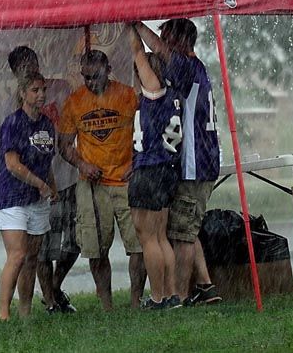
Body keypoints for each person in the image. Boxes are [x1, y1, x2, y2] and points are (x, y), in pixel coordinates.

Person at [133, 19, 222, 306]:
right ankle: (205, 285)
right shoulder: (196, 69)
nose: (162, 44)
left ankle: (181, 295)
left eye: (167, 37)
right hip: (199, 162)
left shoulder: (186, 66)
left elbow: (157, 49)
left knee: (181, 235)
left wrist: (135, 24)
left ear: (177, 40)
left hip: (196, 164)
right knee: (186, 228)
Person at [58, 49, 145, 311]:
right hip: (92, 185)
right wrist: (83, 163)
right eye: (86, 77)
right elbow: (63, 145)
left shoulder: (128, 95)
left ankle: (135, 302)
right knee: (96, 249)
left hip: (126, 180)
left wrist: (137, 160)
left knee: (139, 245)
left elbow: (151, 127)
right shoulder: (75, 102)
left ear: (108, 70)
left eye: (95, 76)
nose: (90, 83)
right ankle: (107, 306)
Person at [7, 46, 80, 314]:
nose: (29, 69)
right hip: (37, 185)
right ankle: (50, 300)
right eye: (23, 67)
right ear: (15, 73)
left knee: (76, 241)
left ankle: (56, 287)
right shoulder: (14, 104)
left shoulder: (59, 87)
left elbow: (73, 123)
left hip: (68, 173)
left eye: (32, 63)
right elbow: (12, 152)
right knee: (42, 248)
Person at [0, 71, 58, 321]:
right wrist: (39, 183)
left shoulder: (47, 124)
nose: (41, 95)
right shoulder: (12, 123)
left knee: (32, 258)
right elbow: (12, 164)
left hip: (37, 199)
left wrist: (52, 185)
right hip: (11, 197)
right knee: (17, 255)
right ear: (22, 93)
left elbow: (46, 160)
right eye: (35, 90)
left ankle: (25, 312)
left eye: (43, 90)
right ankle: (4, 314)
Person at [126, 24, 183, 309]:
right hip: (165, 169)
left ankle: (159, 296)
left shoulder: (154, 90)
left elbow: (138, 51)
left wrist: (130, 22)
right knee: (160, 236)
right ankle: (171, 293)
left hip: (149, 168)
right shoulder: (172, 92)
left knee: (147, 237)